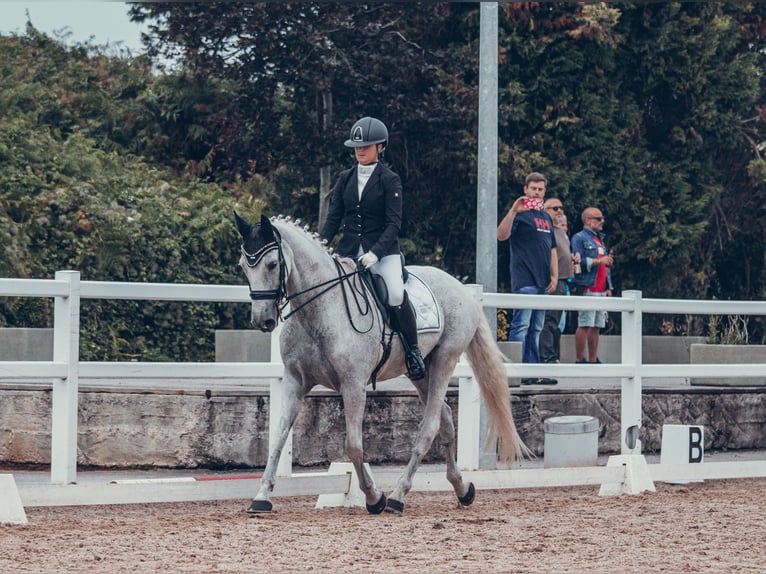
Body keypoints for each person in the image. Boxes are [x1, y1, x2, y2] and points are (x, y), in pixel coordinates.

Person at [319, 116, 426, 380]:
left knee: (395, 294)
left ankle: (413, 352)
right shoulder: (344, 178)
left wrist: (375, 253)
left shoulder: (390, 180)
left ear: (380, 147)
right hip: (348, 250)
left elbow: (394, 223)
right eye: (357, 146)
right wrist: (320, 244)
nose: (360, 150)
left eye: (366, 146)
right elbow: (334, 218)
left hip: (382, 252)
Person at [496, 172, 558, 385]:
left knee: (537, 328)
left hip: (543, 282)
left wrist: (555, 274)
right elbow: (501, 235)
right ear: (525, 190)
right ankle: (516, 372)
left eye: (540, 189)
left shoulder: (546, 217)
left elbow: (551, 248)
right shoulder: (520, 214)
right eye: (533, 189)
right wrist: (513, 210)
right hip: (524, 280)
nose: (537, 193)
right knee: (521, 325)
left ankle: (533, 372)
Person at [538, 200, 581, 375]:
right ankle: (546, 357)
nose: (559, 211)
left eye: (561, 208)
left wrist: (573, 257)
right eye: (555, 208)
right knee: (549, 320)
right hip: (552, 281)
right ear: (546, 210)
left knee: (556, 322)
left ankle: (552, 354)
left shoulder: (561, 232)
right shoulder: (545, 231)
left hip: (564, 281)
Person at [571, 206, 614, 364]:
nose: (602, 221)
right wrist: (599, 261)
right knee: (584, 323)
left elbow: (605, 265)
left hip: (601, 287)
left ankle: (593, 358)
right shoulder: (579, 238)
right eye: (598, 218)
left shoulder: (600, 239)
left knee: (597, 325)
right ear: (588, 220)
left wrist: (609, 286)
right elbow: (578, 261)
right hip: (587, 286)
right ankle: (579, 358)